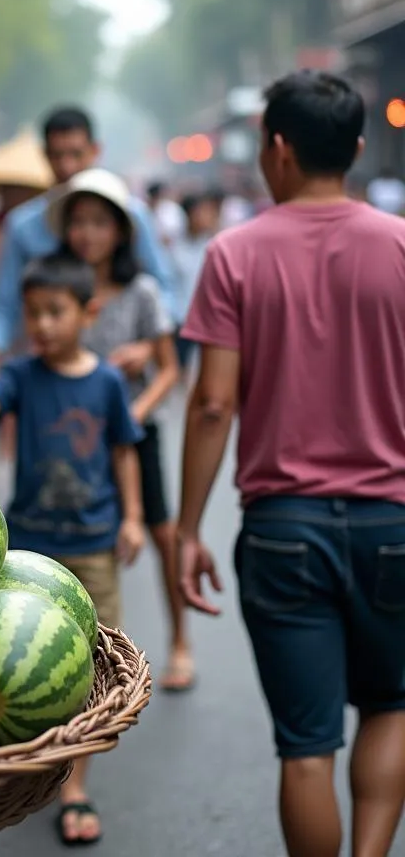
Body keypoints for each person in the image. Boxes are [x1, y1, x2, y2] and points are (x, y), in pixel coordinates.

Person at [177, 71, 405, 857]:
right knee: (393, 706)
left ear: (276, 148)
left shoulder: (234, 253)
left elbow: (212, 405)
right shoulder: (401, 245)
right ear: (356, 148)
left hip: (282, 529)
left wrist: (185, 528)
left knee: (306, 745)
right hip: (393, 524)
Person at [0, 255, 144, 848]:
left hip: (94, 547)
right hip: (30, 550)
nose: (43, 325)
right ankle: (31, 769)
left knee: (88, 669)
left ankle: (74, 785)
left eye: (56, 312)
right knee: (23, 665)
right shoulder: (22, 374)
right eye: (34, 314)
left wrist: (134, 516)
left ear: (87, 312)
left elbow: (126, 449)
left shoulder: (107, 382)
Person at [47, 170, 186, 690]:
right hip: (74, 433)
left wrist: (133, 408)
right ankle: (76, 657)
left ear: (121, 231)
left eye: (100, 223)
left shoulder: (143, 291)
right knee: (75, 543)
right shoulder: (59, 288)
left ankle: (180, 640)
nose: (88, 233)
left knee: (160, 531)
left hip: (135, 428)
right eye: (79, 222)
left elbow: (171, 370)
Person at [0, 106, 173, 377]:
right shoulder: (23, 226)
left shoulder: (133, 215)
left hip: (121, 368)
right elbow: (6, 302)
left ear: (95, 150)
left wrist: (149, 345)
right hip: (51, 368)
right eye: (57, 155)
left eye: (75, 154)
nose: (66, 166)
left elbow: (163, 289)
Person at [170, 191, 222, 373]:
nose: (207, 217)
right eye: (202, 211)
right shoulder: (173, 245)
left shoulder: (217, 245)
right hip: (179, 319)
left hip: (207, 320)